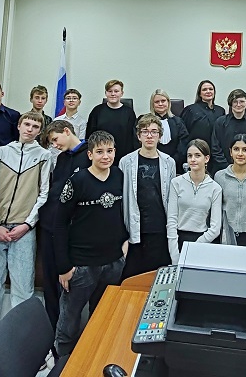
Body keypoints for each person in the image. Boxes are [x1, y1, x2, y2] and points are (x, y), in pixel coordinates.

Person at [0, 111, 53, 367]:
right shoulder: (1, 153)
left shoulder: (44, 157)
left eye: (35, 126)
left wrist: (27, 224)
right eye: (27, 124)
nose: (30, 129)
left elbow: (44, 193)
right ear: (19, 126)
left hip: (24, 230)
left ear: (40, 131)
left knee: (22, 288)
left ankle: (22, 342)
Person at [53, 131, 129, 357]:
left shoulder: (119, 176)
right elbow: (59, 225)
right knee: (70, 317)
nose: (105, 156)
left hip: (113, 262)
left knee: (102, 315)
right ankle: (62, 359)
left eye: (110, 151)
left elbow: (125, 213)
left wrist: (125, 244)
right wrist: (64, 267)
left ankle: (94, 355)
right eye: (100, 152)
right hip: (82, 265)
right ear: (90, 155)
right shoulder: (77, 181)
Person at [37, 119, 90, 358]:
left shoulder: (88, 155)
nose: (55, 145)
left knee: (69, 287)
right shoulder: (60, 159)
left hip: (71, 233)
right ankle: (50, 339)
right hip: (49, 227)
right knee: (50, 285)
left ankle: (67, 344)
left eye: (55, 140)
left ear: (66, 131)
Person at [120, 114, 176, 279]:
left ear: (160, 136)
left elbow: (172, 198)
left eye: (154, 132)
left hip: (159, 228)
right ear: (139, 136)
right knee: (133, 278)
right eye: (145, 132)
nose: (149, 136)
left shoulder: (169, 162)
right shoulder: (126, 162)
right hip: (135, 228)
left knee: (156, 276)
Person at [166, 139, 222, 264]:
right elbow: (171, 221)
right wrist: (174, 254)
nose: (193, 159)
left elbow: (215, 228)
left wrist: (194, 247)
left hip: (202, 241)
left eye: (197, 155)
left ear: (206, 159)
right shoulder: (176, 183)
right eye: (189, 156)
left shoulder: (215, 188)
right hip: (178, 240)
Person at [213, 133, 246, 247]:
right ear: (231, 152)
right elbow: (216, 209)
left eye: (245, 150)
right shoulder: (220, 177)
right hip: (225, 234)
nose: (240, 154)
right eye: (236, 149)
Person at [86, 79, 138, 162]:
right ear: (105, 93)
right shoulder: (97, 111)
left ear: (122, 93)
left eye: (116, 91)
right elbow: (89, 136)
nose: (113, 94)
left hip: (123, 158)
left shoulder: (129, 113)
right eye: (110, 91)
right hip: (101, 157)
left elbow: (133, 138)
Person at [210, 88, 246, 173]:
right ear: (230, 103)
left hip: (245, 170)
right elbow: (215, 147)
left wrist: (241, 166)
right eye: (235, 102)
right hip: (222, 169)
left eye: (241, 101)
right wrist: (227, 167)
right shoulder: (220, 122)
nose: (238, 105)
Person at [150, 89, 190, 173]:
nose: (160, 104)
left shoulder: (178, 122)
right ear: (152, 104)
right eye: (157, 102)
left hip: (176, 165)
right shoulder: (146, 122)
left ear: (168, 103)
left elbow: (184, 143)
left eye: (163, 101)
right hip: (151, 163)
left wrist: (173, 160)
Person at [181, 80, 225, 145]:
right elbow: (183, 133)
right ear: (200, 94)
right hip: (196, 148)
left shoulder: (220, 111)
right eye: (204, 90)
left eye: (211, 89)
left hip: (216, 149)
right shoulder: (191, 110)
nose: (208, 91)